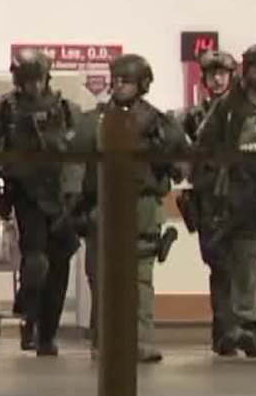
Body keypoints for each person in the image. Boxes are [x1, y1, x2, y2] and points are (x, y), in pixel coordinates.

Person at [75, 53, 186, 363]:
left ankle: (141, 341)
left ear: (143, 84)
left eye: (127, 81)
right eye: (117, 79)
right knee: (102, 279)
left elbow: (180, 167)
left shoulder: (159, 123)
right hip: (103, 204)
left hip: (141, 208)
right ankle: (103, 342)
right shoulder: (95, 120)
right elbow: (76, 166)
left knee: (140, 281)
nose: (119, 86)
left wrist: (159, 152)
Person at [0, 48, 83, 356]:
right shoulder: (2, 110)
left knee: (60, 267)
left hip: (63, 197)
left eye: (37, 80)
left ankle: (46, 334)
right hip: (26, 194)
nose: (33, 87)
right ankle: (29, 318)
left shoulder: (67, 109)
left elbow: (82, 156)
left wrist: (80, 197)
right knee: (37, 263)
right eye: (26, 81)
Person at [191, 45, 256, 358]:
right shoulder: (228, 107)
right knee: (232, 264)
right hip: (234, 197)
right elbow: (203, 147)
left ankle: (253, 328)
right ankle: (238, 329)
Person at [177, 48, 240, 353]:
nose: (217, 79)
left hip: (240, 197)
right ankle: (224, 332)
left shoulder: (243, 113)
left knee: (246, 266)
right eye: (212, 74)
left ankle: (246, 329)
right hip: (209, 198)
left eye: (222, 74)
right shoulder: (194, 117)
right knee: (219, 266)